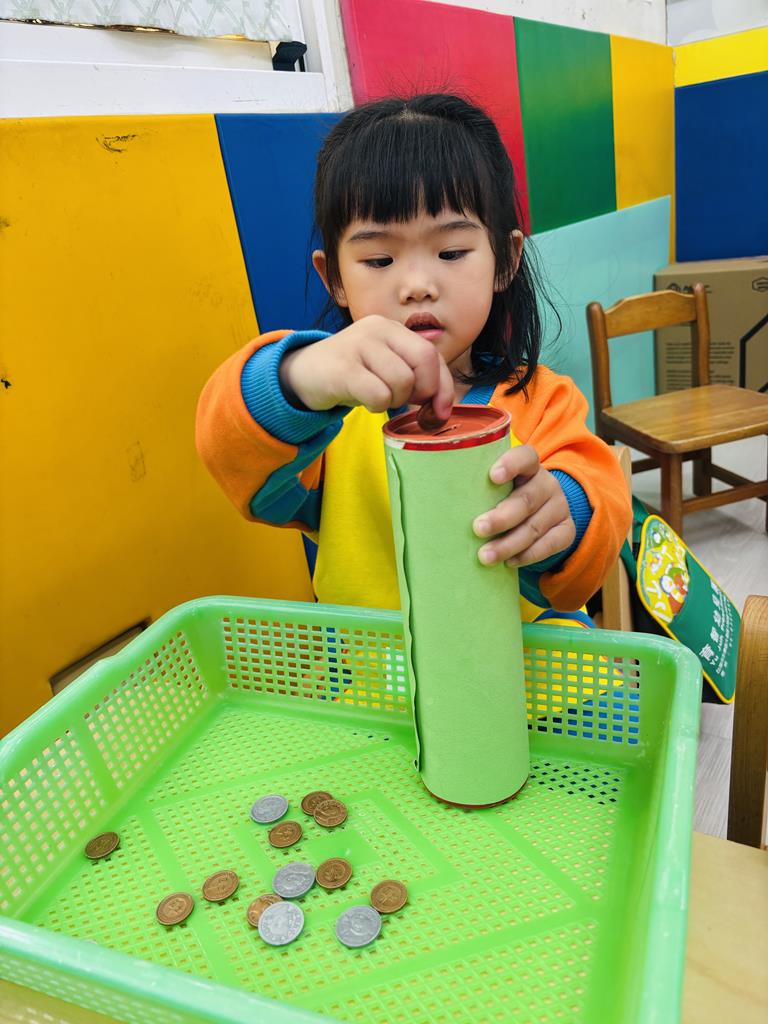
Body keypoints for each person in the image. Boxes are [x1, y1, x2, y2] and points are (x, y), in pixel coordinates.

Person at [196, 93, 632, 623]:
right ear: (335, 278)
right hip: (377, 675)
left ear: (506, 260)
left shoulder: (544, 401)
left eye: (451, 253)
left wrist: (561, 513)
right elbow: (232, 456)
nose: (417, 285)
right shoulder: (324, 424)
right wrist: (297, 379)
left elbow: (599, 520)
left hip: (532, 671)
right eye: (380, 259)